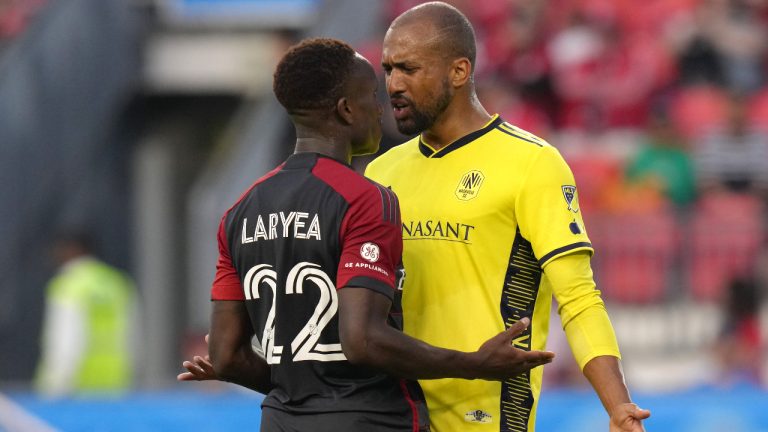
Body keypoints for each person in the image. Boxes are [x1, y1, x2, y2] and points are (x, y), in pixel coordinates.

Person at [181, 37, 554, 432]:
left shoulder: (240, 211)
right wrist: (472, 364)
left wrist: (303, 389)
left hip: (280, 421)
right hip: (368, 419)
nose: (382, 107)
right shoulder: (365, 199)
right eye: (371, 95)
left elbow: (225, 356)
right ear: (345, 110)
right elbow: (362, 339)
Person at [364, 2, 650, 431]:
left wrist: (617, 404)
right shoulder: (380, 172)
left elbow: (577, 298)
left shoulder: (531, 162)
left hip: (487, 415)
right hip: (394, 415)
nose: (393, 84)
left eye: (408, 69)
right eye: (388, 70)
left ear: (459, 72)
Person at [34, 230, 137, 397]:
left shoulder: (69, 285)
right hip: (115, 383)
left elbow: (65, 339)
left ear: (72, 249)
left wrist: (55, 384)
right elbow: (133, 335)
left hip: (76, 386)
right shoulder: (116, 282)